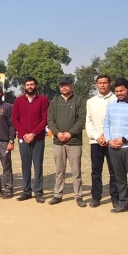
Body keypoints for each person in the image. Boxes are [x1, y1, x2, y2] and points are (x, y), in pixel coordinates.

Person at [47, 76, 86, 206]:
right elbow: (50, 120)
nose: (64, 87)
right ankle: (57, 195)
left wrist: (70, 133)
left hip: (74, 141)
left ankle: (79, 196)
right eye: (62, 85)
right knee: (59, 171)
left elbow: (81, 120)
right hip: (58, 142)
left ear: (72, 85)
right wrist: (58, 133)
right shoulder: (54, 102)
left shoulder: (78, 100)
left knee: (76, 171)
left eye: (66, 84)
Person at [103, 78, 128, 215]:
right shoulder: (111, 105)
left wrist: (124, 139)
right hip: (113, 147)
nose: (119, 93)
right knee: (119, 177)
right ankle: (123, 202)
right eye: (117, 91)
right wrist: (109, 140)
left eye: (122, 91)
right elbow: (106, 123)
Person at [13, 77, 50, 203]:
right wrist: (25, 134)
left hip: (38, 138)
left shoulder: (43, 100)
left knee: (38, 165)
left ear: (36, 86)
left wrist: (33, 134)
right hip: (23, 138)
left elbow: (45, 119)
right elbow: (15, 119)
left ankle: (38, 192)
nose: (30, 86)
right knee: (25, 165)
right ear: (24, 86)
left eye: (32, 84)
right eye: (27, 84)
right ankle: (26, 191)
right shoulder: (18, 100)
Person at [85, 74, 117, 208]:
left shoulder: (116, 99)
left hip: (112, 141)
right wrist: (97, 136)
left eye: (105, 82)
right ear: (96, 84)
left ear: (110, 84)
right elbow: (88, 121)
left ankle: (116, 197)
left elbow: (116, 121)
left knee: (114, 171)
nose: (102, 85)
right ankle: (96, 197)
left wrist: (106, 136)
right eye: (100, 83)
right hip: (96, 141)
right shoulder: (91, 101)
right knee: (96, 171)